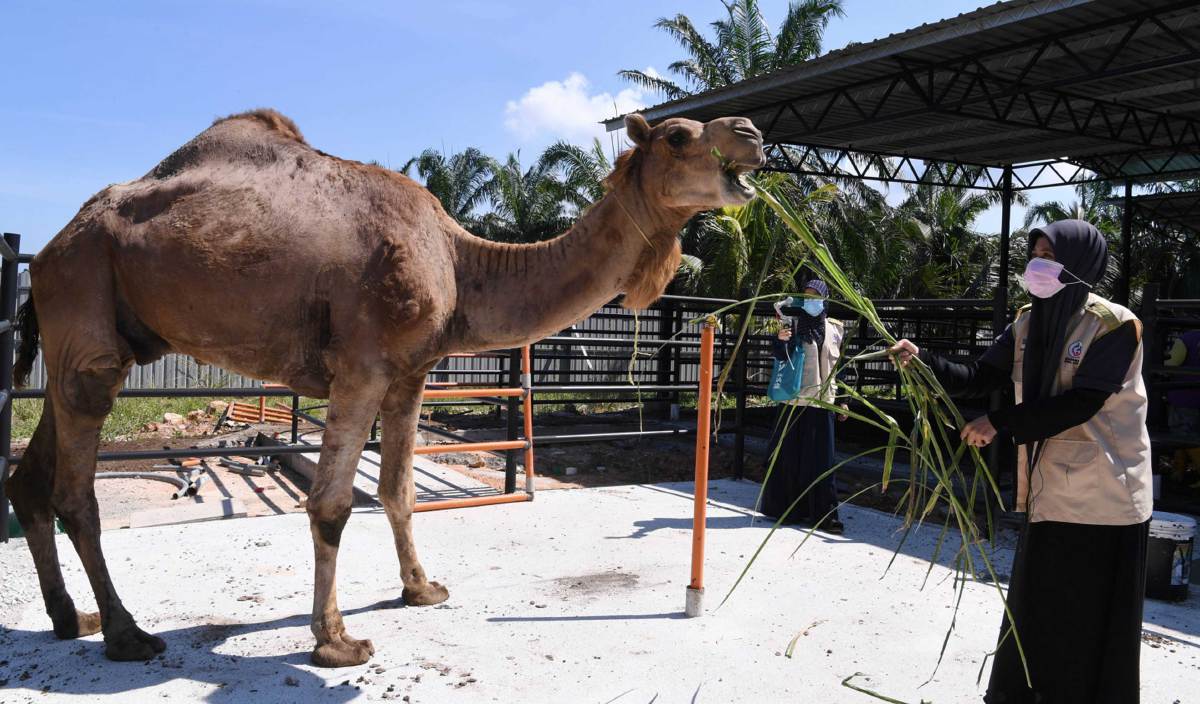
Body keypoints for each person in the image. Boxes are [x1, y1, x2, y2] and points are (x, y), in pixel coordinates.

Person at [889, 220, 1151, 703]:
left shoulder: (1115, 325)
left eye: (1049, 255)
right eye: (1035, 253)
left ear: (1078, 262)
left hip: (1104, 493)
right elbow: (980, 376)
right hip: (1049, 491)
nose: (1037, 265)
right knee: (1037, 605)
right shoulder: (1027, 322)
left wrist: (1000, 423)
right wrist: (923, 360)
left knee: (1084, 612)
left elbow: (1081, 404)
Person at [762, 279, 848, 534]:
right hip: (794, 400)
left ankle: (825, 515)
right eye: (806, 295)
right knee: (790, 456)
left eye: (815, 296)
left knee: (822, 460)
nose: (810, 300)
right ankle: (788, 510)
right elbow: (780, 355)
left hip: (823, 402)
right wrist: (780, 340)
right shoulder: (793, 323)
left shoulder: (836, 329)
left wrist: (843, 399)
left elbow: (840, 366)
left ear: (824, 299)